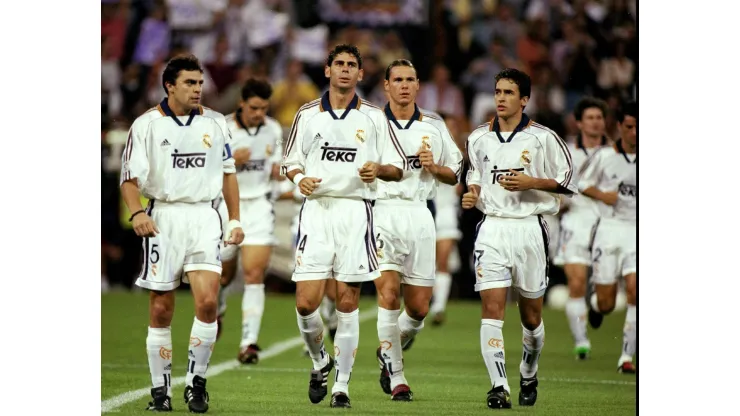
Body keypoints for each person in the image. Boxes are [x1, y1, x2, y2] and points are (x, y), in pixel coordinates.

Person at [281, 43, 407, 409]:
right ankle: (321, 360)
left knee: (347, 301)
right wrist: (299, 177)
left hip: (356, 211)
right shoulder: (307, 114)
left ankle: (342, 386)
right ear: (327, 70)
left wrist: (378, 169)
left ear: (361, 74)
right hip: (317, 211)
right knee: (306, 303)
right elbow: (289, 161)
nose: (346, 70)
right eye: (339, 64)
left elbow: (397, 167)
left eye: (352, 65)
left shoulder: (374, 117)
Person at [119, 54, 244, 413]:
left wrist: (234, 219)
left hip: (204, 217)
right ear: (169, 86)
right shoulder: (146, 125)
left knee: (207, 302)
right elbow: (129, 179)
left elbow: (228, 173)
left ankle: (196, 384)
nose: (198, 89)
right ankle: (160, 391)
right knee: (161, 308)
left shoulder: (216, 122)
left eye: (200, 83)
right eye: (190, 83)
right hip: (165, 218)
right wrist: (138, 211)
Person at [461, 68, 576, 409]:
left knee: (531, 317)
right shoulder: (479, 137)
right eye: (498, 91)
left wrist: (531, 182)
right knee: (492, 309)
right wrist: (472, 193)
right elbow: (474, 174)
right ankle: (499, 386)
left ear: (524, 100)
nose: (500, 97)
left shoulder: (543, 138)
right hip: (493, 228)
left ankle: (529, 369)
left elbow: (568, 180)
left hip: (530, 228)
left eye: (509, 93)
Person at [372, 59, 463, 401]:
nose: (404, 85)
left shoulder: (434, 125)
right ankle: (398, 378)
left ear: (418, 84)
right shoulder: (371, 123)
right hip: (382, 212)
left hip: (420, 215)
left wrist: (434, 167)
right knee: (389, 295)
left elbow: (454, 173)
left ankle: (389, 350)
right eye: (398, 79)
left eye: (410, 79)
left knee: (419, 310)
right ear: (386, 85)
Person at [212, 78, 284, 364]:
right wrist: (230, 162)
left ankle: (248, 342)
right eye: (254, 107)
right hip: (227, 208)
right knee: (225, 275)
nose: (259, 114)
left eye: (264, 108)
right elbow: (203, 170)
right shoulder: (223, 129)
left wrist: (282, 173)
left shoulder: (273, 129)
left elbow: (276, 166)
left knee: (255, 275)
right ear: (242, 103)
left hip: (259, 207)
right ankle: (217, 310)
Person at [577, 101, 637, 374]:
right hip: (608, 229)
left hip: (636, 231)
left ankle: (626, 357)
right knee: (607, 304)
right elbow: (581, 184)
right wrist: (603, 195)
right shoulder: (604, 156)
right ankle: (595, 306)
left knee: (636, 290)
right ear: (620, 128)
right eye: (630, 127)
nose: (635, 133)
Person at [555, 97, 611, 360]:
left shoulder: (618, 153)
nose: (595, 122)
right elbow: (556, 186)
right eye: (590, 117)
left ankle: (599, 305)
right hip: (575, 222)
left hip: (608, 224)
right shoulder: (566, 152)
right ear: (579, 122)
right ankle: (581, 341)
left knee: (606, 297)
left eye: (599, 117)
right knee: (576, 282)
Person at [429, 113, 466, 326]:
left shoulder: (457, 154)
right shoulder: (426, 149)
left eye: (453, 126)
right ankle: (424, 301)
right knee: (423, 264)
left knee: (443, 261)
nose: (450, 130)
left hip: (446, 212)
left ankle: (439, 307)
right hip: (425, 209)